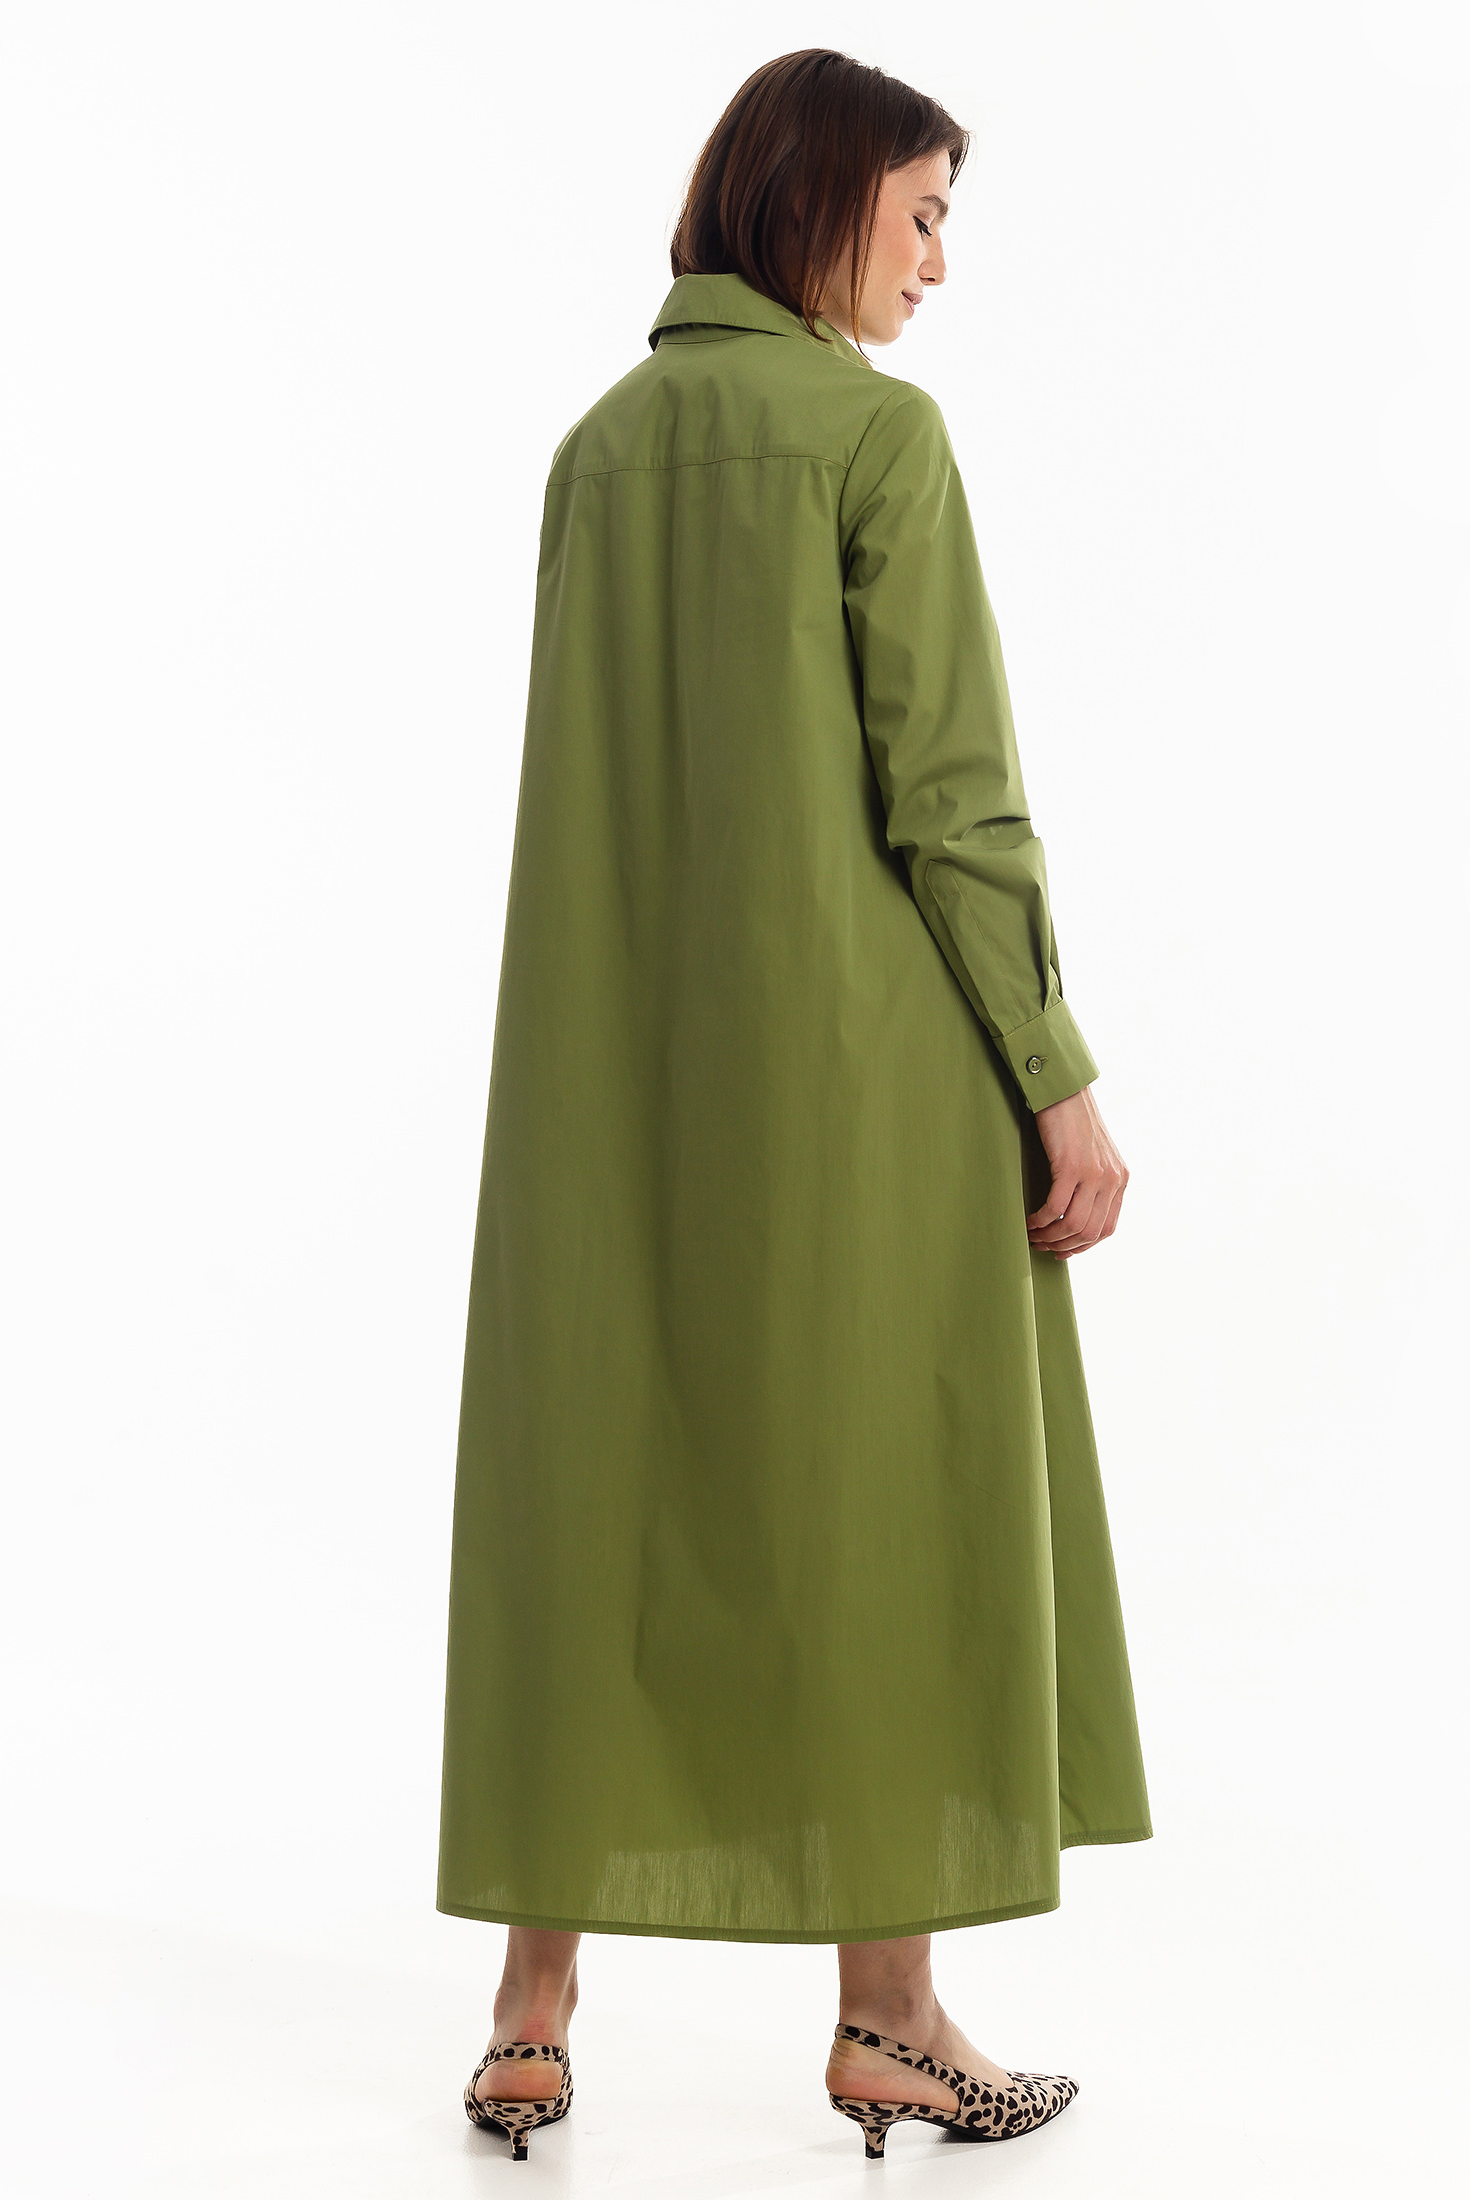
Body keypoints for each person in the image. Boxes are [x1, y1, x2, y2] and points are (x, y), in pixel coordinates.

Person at [439, 48, 1150, 2163]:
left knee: (594, 1497)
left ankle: (529, 2019)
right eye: (920, 215)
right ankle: (891, 2020)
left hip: (613, 1077)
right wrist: (1055, 1080)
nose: (935, 266)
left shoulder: (597, 451)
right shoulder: (871, 437)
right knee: (887, 1508)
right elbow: (952, 798)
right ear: (821, 198)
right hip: (864, 1083)